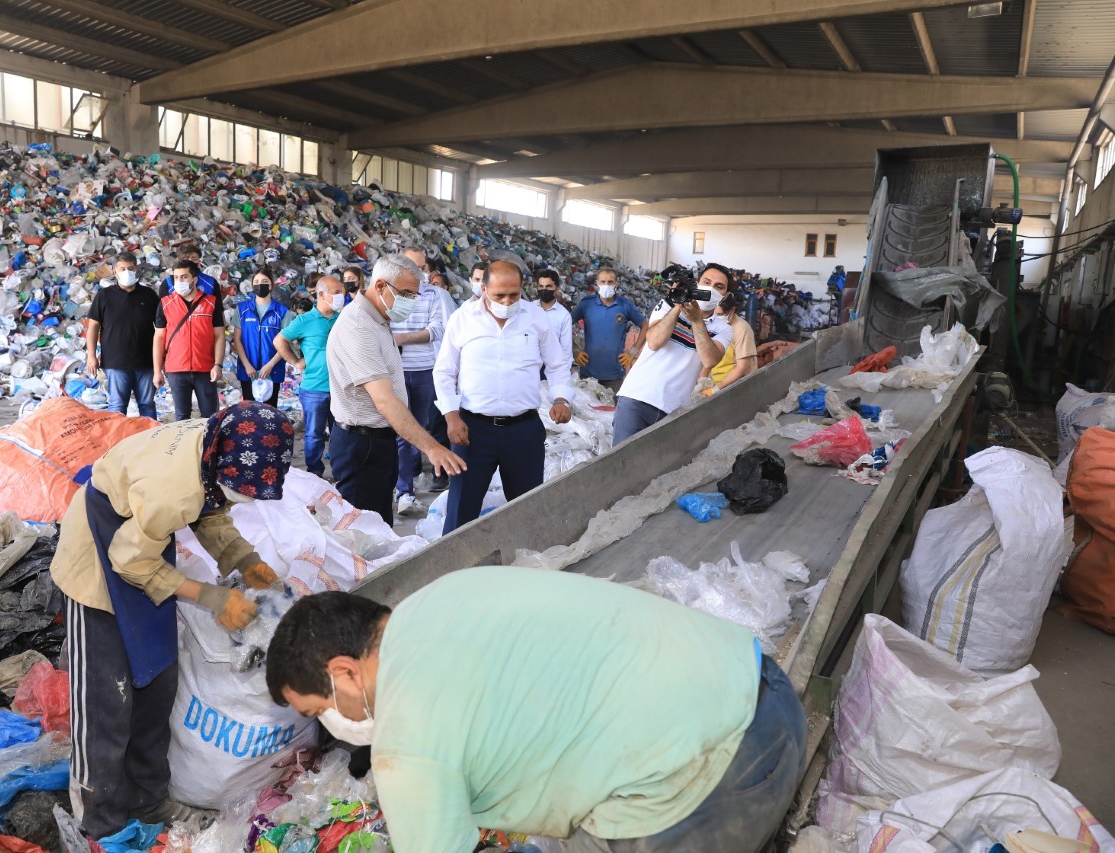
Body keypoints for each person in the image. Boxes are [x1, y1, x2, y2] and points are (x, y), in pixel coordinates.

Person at [265, 567, 806, 853]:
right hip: (768, 691)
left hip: (713, 783)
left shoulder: (405, 740)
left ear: (343, 673)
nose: (333, 722)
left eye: (321, 709)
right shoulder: (442, 595)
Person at [51, 403, 294, 839]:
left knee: (157, 682)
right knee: (106, 700)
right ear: (223, 460)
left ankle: (147, 801)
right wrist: (213, 597)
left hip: (142, 550)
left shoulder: (216, 445)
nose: (247, 497)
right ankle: (99, 819)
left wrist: (245, 561)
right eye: (245, 488)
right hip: (98, 560)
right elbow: (126, 559)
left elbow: (209, 508)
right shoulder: (173, 487)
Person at [325, 253, 465, 525]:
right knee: (362, 533)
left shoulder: (379, 319)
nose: (411, 303)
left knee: (379, 524)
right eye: (407, 295)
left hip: (378, 441)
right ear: (380, 286)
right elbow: (385, 402)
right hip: (361, 446)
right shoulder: (358, 327)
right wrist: (432, 448)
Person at [434, 260, 572, 533]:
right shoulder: (463, 318)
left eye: (514, 294)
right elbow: (444, 371)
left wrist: (561, 398)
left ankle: (523, 569)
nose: (507, 302)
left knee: (527, 509)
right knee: (461, 511)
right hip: (472, 431)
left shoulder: (535, 318)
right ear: (484, 288)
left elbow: (557, 364)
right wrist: (451, 416)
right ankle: (456, 573)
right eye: (499, 295)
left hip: (523, 430)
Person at [611, 264, 734, 445]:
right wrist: (679, 304)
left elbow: (710, 360)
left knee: (656, 469)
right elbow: (653, 341)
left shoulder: (723, 329)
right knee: (622, 464)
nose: (711, 288)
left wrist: (697, 321)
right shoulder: (668, 304)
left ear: (726, 296)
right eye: (706, 282)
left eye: (719, 286)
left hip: (673, 411)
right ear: (697, 284)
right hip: (638, 398)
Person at [391, 247, 449, 518]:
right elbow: (385, 327)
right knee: (399, 433)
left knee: (416, 430)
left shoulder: (432, 294)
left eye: (424, 268)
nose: (422, 273)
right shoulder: (392, 295)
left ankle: (404, 489)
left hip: (424, 371)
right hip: (394, 372)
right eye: (416, 267)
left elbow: (436, 331)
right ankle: (402, 489)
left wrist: (403, 338)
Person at [275, 276, 344, 478]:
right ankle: (315, 473)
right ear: (321, 294)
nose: (341, 296)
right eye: (336, 292)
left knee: (340, 435)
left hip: (341, 388)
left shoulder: (343, 319)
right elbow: (280, 341)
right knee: (314, 434)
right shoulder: (305, 321)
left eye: (341, 292)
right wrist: (296, 362)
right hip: (315, 388)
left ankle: (340, 473)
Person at [85, 251, 158, 420]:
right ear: (114, 271)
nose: (127, 272)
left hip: (146, 362)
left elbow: (162, 328)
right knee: (117, 405)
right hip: (115, 362)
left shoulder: (149, 295)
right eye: (122, 268)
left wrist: (162, 358)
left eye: (130, 268)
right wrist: (91, 356)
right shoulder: (104, 296)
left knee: (147, 404)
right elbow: (93, 327)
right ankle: (116, 444)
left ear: (137, 270)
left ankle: (154, 441)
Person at [153, 259, 225, 421]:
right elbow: (159, 338)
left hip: (205, 369)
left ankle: (208, 446)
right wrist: (157, 371)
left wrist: (218, 365)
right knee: (182, 417)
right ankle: (185, 447)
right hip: (176, 370)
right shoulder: (165, 304)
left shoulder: (211, 303)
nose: (179, 281)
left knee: (210, 417)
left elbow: (220, 336)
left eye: (184, 277)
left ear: (195, 280)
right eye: (176, 278)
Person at [573, 268, 648, 391]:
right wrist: (574, 350)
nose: (606, 285)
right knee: (587, 408)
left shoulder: (625, 306)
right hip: (588, 373)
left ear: (616, 284)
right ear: (597, 283)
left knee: (611, 409)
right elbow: (564, 325)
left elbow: (645, 326)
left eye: (610, 282)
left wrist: (633, 351)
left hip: (614, 376)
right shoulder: (586, 304)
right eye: (603, 282)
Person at [233, 267, 288, 407]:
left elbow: (285, 344)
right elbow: (237, 340)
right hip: (248, 370)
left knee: (269, 412)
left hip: (272, 370)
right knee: (249, 413)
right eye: (256, 282)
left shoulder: (282, 311)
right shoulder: (242, 309)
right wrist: (247, 365)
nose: (260, 285)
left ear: (271, 285)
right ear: (252, 286)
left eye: (264, 281)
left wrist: (270, 365)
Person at [700, 265, 758, 396]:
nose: (718, 318)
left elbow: (741, 367)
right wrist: (701, 383)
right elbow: (707, 360)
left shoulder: (741, 329)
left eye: (721, 315)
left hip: (737, 389)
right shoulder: (712, 324)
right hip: (716, 383)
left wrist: (716, 389)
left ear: (732, 310)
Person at [533, 268, 572, 358]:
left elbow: (566, 350)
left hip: (550, 367)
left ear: (557, 289)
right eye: (541, 286)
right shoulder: (529, 309)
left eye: (548, 286)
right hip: (529, 366)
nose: (544, 290)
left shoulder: (564, 316)